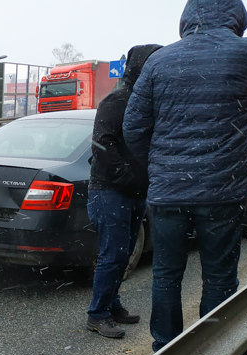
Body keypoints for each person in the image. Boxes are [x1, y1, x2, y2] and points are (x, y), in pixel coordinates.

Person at [123, 0, 247, 352]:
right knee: (219, 275)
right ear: (236, 17)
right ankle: (211, 352)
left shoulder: (159, 60)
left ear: (186, 19)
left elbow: (133, 127)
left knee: (167, 274)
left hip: (168, 192)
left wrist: (159, 169)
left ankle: (165, 349)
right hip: (222, 192)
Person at [86, 44, 163, 339]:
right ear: (142, 68)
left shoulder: (144, 100)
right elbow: (103, 146)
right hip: (110, 192)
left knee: (125, 252)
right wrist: (130, 177)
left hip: (132, 192)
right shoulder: (117, 101)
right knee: (113, 254)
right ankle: (97, 314)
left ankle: (112, 304)